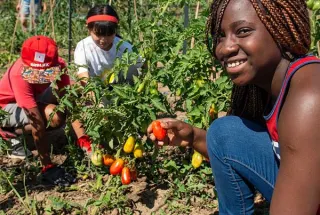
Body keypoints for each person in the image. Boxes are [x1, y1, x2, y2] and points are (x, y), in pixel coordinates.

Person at [147, 0, 320, 214]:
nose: (225, 47)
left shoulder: (310, 95)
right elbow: (233, 146)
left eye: (243, 31)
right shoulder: (267, 87)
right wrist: (193, 137)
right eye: (220, 35)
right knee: (224, 132)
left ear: (280, 29)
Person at [0, 35, 93, 186]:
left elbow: (68, 100)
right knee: (53, 116)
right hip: (5, 107)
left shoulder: (58, 66)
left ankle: (82, 143)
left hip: (33, 98)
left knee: (74, 90)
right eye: (34, 71)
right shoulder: (20, 74)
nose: (39, 76)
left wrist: (84, 140)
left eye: (44, 72)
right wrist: (47, 166)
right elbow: (37, 123)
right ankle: (7, 133)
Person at [74, 4, 143, 87]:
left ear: (115, 30)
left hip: (125, 92)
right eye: (98, 34)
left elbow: (144, 65)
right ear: (88, 29)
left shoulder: (125, 47)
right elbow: (83, 75)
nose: (103, 40)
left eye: (109, 34)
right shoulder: (84, 47)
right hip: (96, 92)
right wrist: (91, 93)